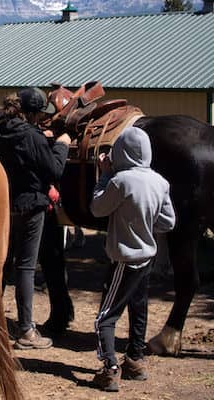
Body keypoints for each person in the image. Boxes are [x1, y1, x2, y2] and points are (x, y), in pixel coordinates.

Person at [0, 87, 71, 349]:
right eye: (40, 113)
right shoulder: (32, 136)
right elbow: (54, 169)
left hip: (4, 205)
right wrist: (62, 145)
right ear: (32, 113)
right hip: (31, 205)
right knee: (26, 267)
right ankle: (27, 330)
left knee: (2, 264)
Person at [90, 126, 175, 392]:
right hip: (147, 257)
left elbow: (97, 208)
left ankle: (110, 368)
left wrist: (104, 176)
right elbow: (168, 222)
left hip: (123, 260)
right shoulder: (160, 182)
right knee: (138, 308)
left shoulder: (120, 181)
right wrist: (146, 223)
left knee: (105, 317)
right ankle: (135, 359)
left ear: (121, 152)